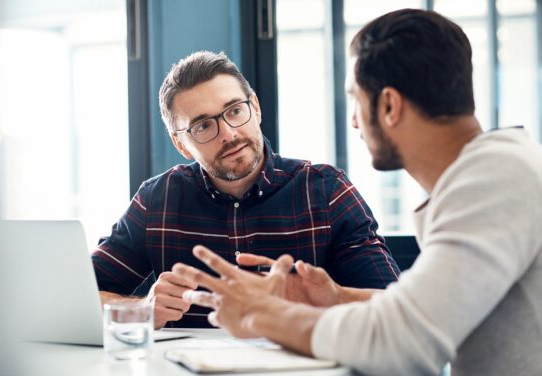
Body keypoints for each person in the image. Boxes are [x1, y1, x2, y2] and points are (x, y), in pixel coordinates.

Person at [172, 9, 542, 375]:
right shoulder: (495, 172)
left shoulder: (495, 180)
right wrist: (338, 297)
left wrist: (264, 315)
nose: (353, 120)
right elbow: (425, 309)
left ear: (389, 106)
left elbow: (402, 341)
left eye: (355, 99)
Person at [91, 51, 400, 329]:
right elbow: (81, 298)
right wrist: (140, 309)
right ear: (180, 144)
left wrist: (329, 298)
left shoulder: (327, 191)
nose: (228, 133)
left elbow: (393, 309)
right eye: (203, 126)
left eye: (235, 110)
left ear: (255, 107)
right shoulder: (156, 200)